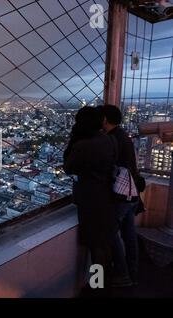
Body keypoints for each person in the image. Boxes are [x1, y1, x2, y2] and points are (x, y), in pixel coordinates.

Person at [64, 107, 118, 291]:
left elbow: (68, 167)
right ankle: (106, 282)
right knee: (104, 243)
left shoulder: (82, 145)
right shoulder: (109, 139)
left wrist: (73, 141)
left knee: (96, 246)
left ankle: (98, 286)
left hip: (90, 200)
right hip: (108, 196)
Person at [99, 105, 143, 287]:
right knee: (129, 234)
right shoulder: (123, 135)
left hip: (121, 194)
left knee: (109, 232)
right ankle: (133, 272)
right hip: (131, 192)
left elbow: (108, 167)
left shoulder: (112, 138)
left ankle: (122, 274)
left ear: (105, 119)